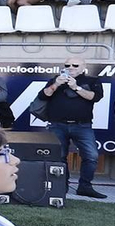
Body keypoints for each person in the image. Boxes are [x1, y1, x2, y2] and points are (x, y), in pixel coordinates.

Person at [34, 58, 105, 199]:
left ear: (83, 67)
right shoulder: (56, 80)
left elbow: (95, 97)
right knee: (59, 156)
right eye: (67, 65)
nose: (71, 67)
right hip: (57, 124)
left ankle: (85, 186)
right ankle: (61, 186)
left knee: (91, 156)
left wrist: (76, 87)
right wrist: (56, 84)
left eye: (75, 65)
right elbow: (44, 95)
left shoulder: (92, 80)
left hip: (82, 125)